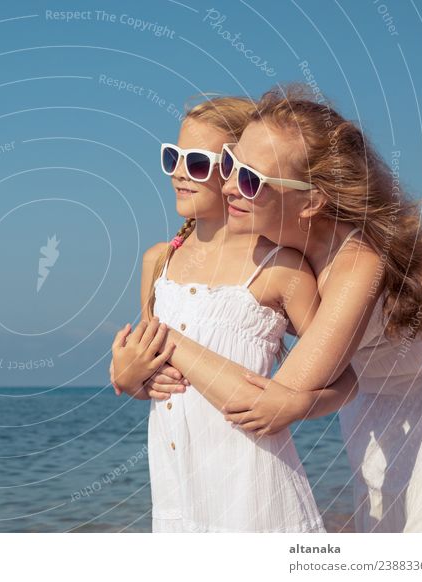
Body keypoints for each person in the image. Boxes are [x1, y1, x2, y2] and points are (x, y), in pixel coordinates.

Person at [115, 85, 422, 532]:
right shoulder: (268, 243)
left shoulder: (356, 264)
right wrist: (132, 371)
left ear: (310, 202)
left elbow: (263, 403)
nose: (229, 184)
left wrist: (170, 337)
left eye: (250, 179)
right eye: (230, 164)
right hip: (378, 390)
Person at [111, 95, 347, 532]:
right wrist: (129, 379)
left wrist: (295, 405)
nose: (180, 172)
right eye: (173, 157)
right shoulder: (158, 261)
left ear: (236, 170)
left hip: (254, 493)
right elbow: (149, 371)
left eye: (198, 162)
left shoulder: (280, 268)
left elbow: (345, 378)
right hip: (178, 495)